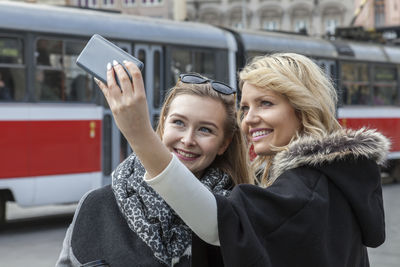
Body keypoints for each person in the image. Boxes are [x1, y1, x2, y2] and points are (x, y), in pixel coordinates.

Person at [96, 53, 390, 267]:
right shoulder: (335, 178)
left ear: (302, 109)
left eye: (266, 103)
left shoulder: (304, 191)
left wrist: (138, 134)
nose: (249, 119)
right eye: (245, 107)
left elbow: (218, 223)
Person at [56, 68, 252, 267]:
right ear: (164, 123)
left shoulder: (237, 220)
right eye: (179, 123)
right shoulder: (97, 205)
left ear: (224, 144)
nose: (187, 139)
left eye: (205, 130)